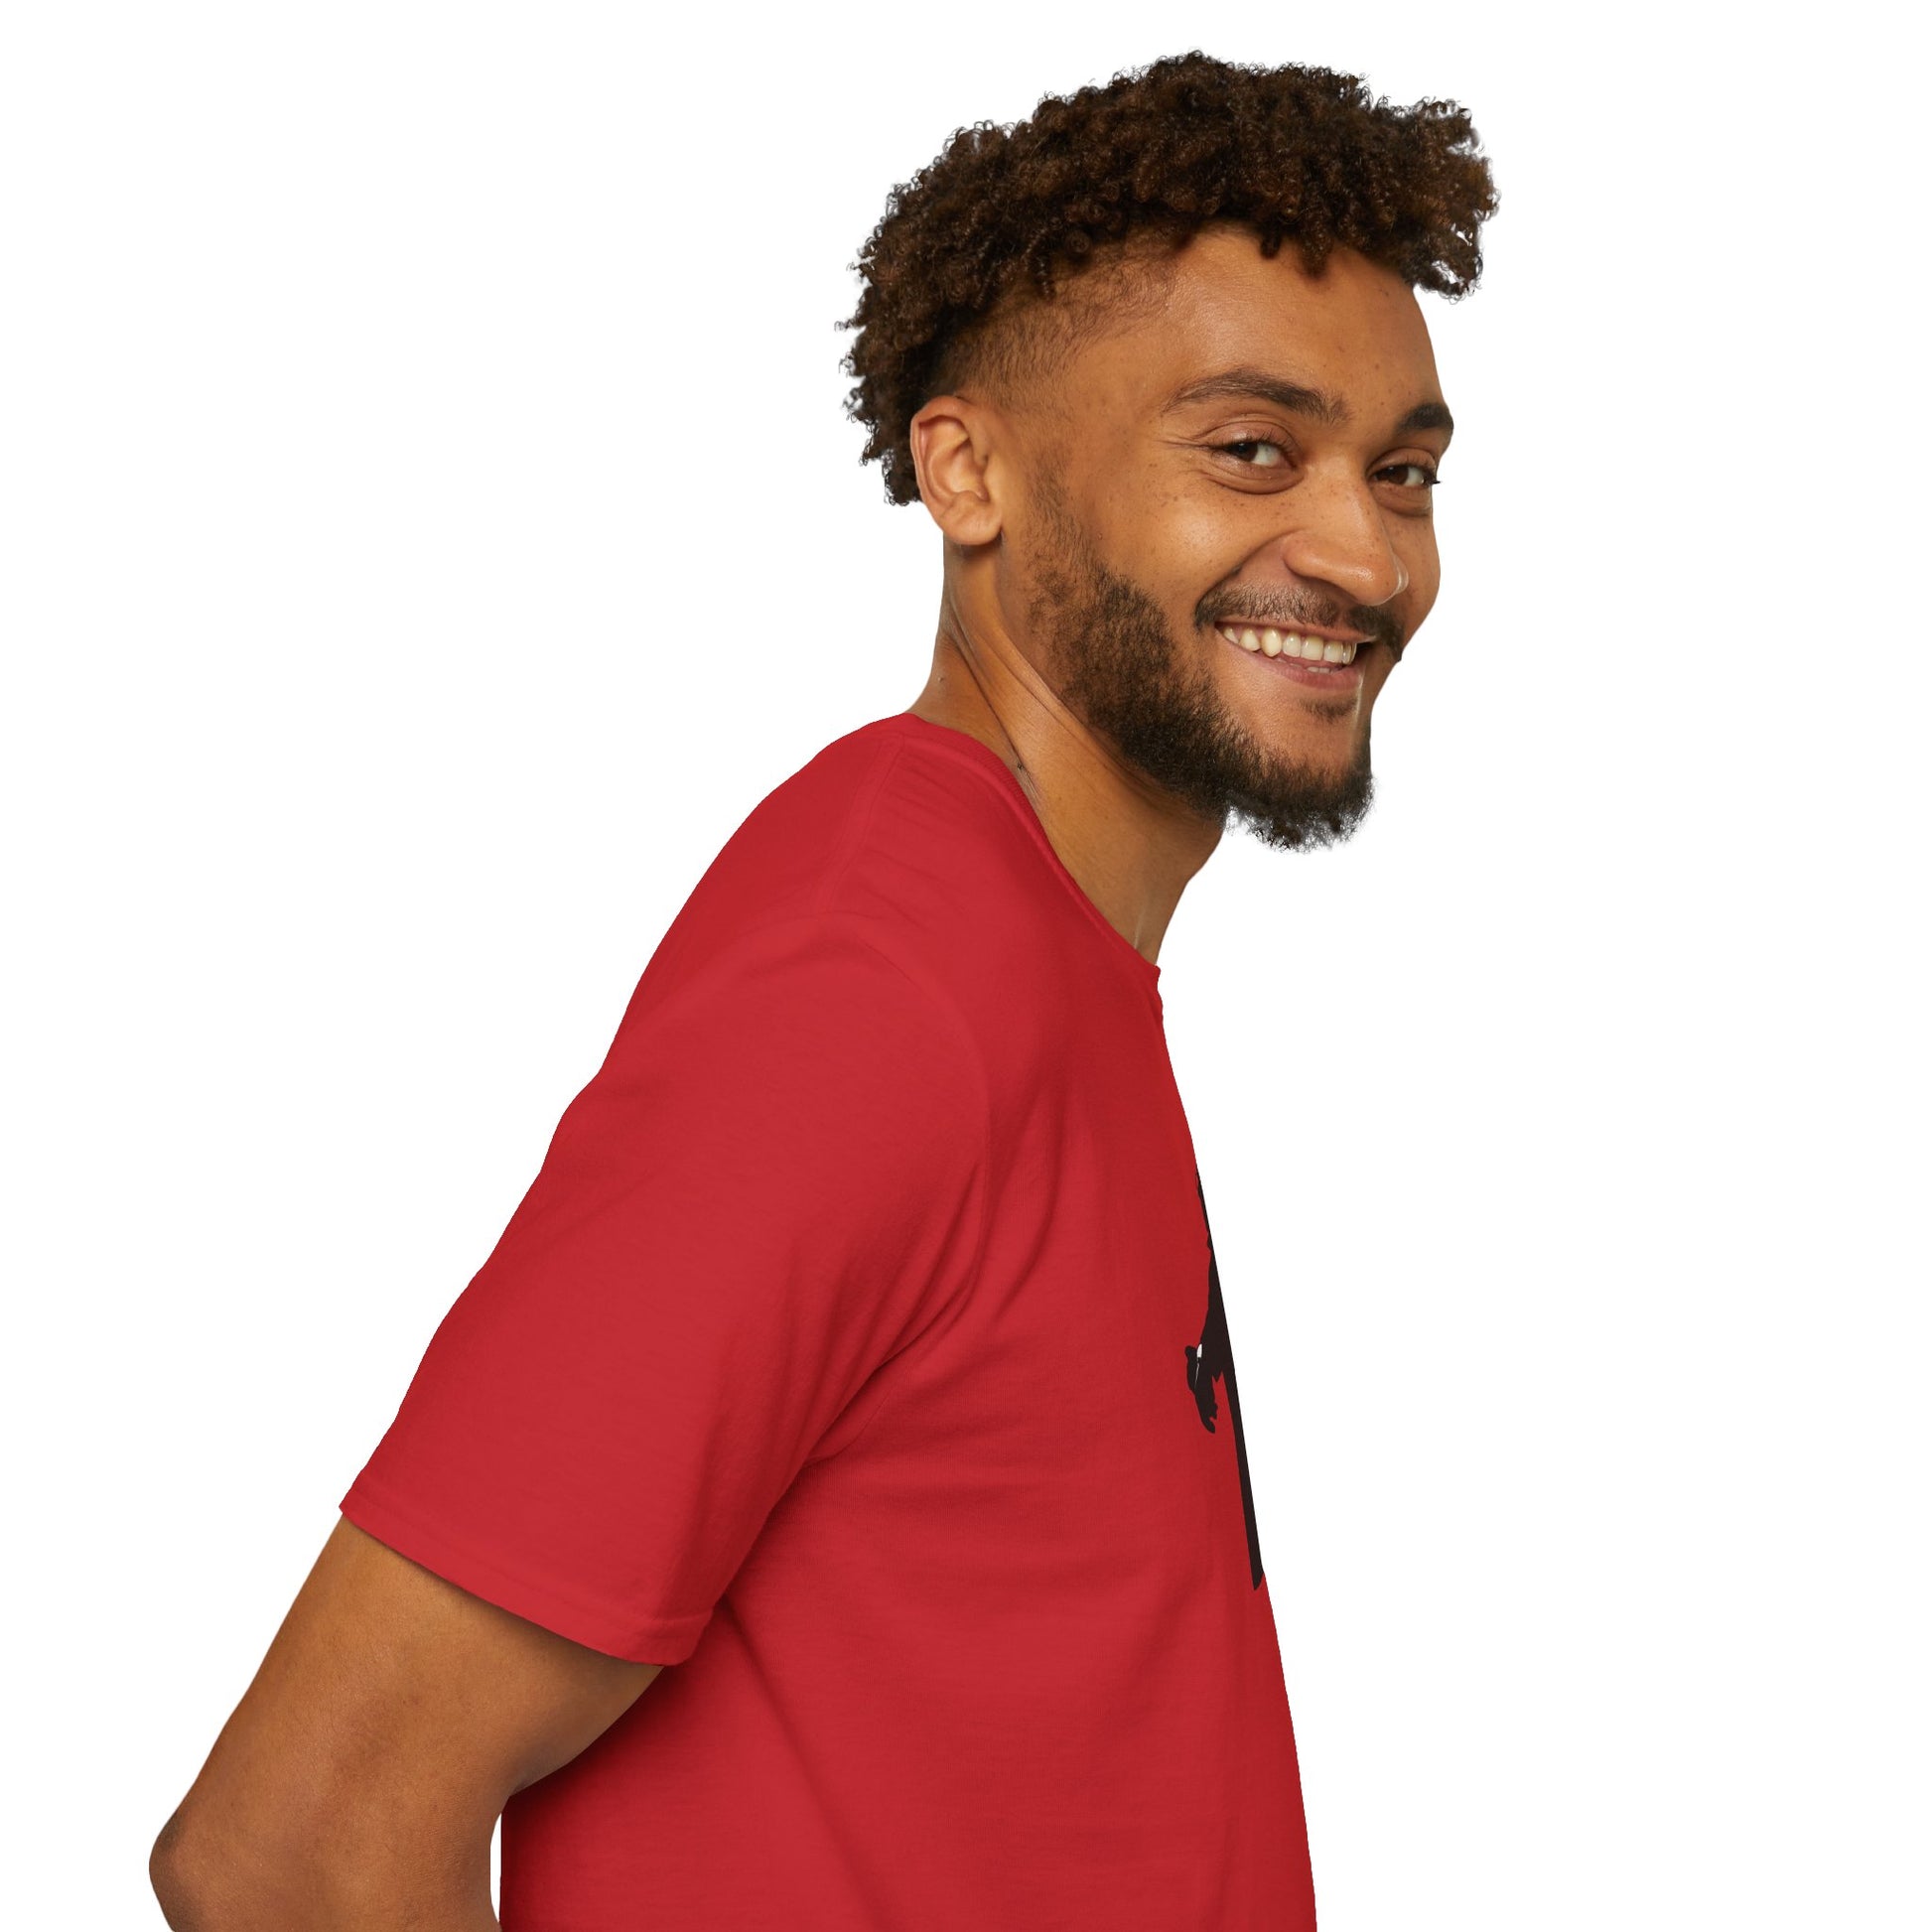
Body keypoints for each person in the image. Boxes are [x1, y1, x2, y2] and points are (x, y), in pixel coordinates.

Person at [151, 50, 1497, 1931]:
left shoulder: (1040, 957)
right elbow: (293, 1845)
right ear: (970, 470)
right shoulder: (882, 978)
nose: (1364, 552)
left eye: (1404, 471)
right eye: (1250, 450)